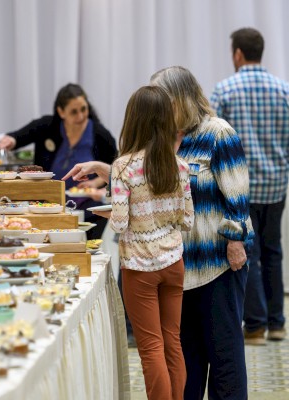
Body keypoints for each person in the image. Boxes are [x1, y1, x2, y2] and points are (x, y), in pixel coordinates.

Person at [64, 66, 254, 400]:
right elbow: (147, 181)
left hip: (217, 265)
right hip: (180, 267)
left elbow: (238, 194)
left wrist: (236, 241)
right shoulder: (169, 139)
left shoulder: (218, 133)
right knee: (187, 359)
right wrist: (107, 171)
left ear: (181, 98)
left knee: (224, 359)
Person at [109, 85, 194, 400]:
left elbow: (119, 222)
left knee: (151, 347)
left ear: (135, 120)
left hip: (139, 267)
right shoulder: (179, 165)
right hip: (173, 263)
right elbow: (187, 220)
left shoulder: (124, 167)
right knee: (172, 342)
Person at [210, 27, 289, 345]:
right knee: (274, 250)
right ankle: (277, 323)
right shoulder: (283, 90)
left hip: (240, 187)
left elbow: (212, 137)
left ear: (238, 54)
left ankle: (254, 326)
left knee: (251, 253)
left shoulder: (224, 90)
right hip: (276, 185)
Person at [0, 83, 117, 239]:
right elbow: (17, 136)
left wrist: (95, 184)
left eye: (83, 109)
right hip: (47, 205)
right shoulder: (47, 126)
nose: (80, 116)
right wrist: (10, 141)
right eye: (74, 112)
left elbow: (115, 169)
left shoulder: (100, 134)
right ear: (61, 112)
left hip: (89, 209)